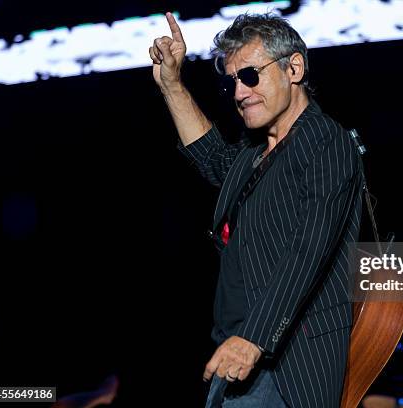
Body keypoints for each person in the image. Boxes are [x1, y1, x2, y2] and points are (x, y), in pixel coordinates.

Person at [149, 12, 364, 408]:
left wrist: (254, 340)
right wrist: (172, 86)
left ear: (293, 68)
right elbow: (212, 158)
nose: (239, 92)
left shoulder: (325, 142)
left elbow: (309, 251)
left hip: (284, 366)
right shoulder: (255, 152)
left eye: (250, 75)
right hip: (236, 357)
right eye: (232, 81)